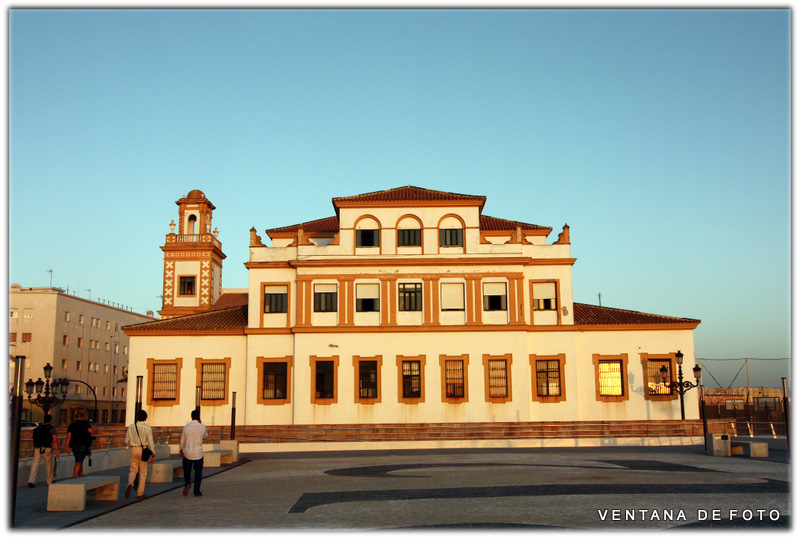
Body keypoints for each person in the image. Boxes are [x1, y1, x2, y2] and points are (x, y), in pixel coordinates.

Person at [124, 409, 155, 499]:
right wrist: (153, 454)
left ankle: (130, 483)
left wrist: (133, 443)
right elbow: (150, 442)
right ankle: (140, 493)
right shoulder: (147, 428)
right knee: (143, 472)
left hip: (134, 449)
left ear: (137, 417)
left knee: (133, 469)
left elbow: (126, 441)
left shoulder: (131, 427)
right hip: (143, 449)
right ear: (145, 418)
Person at [180, 409, 209, 497]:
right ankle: (197, 491)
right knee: (198, 473)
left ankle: (187, 483)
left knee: (187, 471)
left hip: (188, 452)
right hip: (198, 453)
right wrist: (201, 423)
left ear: (191, 417)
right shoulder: (202, 427)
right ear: (199, 417)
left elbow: (182, 440)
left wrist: (181, 449)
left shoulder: (186, 427)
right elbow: (205, 436)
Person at [27, 414, 59, 488]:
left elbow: (31, 436)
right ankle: (49, 481)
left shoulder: (39, 427)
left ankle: (31, 481)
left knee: (35, 464)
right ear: (50, 420)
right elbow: (55, 440)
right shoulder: (52, 428)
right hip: (47, 448)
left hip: (38, 448)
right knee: (48, 465)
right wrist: (57, 451)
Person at [64, 411, 93, 478]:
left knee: (78, 460)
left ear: (75, 418)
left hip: (74, 445)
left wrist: (66, 446)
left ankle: (80, 475)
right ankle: (74, 476)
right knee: (79, 461)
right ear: (82, 417)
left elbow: (68, 436)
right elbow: (91, 431)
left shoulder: (72, 425)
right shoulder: (85, 423)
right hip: (83, 444)